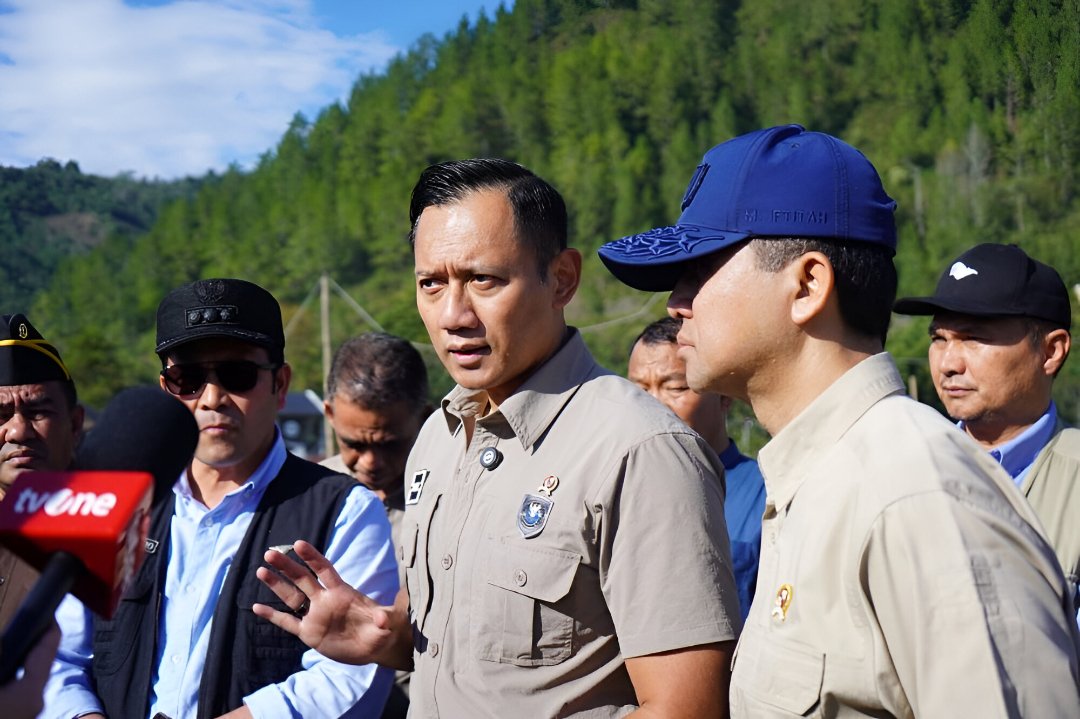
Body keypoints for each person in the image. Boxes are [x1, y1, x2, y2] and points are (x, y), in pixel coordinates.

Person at [598, 124, 1080, 716]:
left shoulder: (914, 496)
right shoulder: (820, 481)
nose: (677, 304)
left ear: (807, 284)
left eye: (700, 270)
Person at [254, 158, 741, 717]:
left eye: (483, 280)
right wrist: (382, 639)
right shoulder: (438, 436)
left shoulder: (639, 450)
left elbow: (687, 707)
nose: (453, 315)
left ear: (562, 279)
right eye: (430, 284)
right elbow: (466, 652)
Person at [42, 279, 399, 719]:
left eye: (237, 375)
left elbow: (351, 678)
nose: (212, 398)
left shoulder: (344, 510)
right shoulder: (113, 500)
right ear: (165, 389)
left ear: (280, 384)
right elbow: (59, 656)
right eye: (187, 379)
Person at [894, 242, 1079, 616]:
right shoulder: (900, 468)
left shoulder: (1073, 480)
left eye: (974, 338)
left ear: (1051, 351)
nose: (948, 363)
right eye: (938, 339)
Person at [321, 331, 430, 719]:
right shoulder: (315, 496)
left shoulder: (447, 502)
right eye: (354, 444)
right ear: (330, 414)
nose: (370, 462)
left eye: (388, 444)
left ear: (426, 418)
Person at [628, 316, 765, 621]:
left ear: (724, 396)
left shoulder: (766, 496)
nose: (652, 405)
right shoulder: (608, 491)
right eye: (638, 390)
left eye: (674, 387)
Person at [0, 313, 83, 631]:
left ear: (75, 425)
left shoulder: (117, 534)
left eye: (37, 411)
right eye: (1, 414)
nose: (19, 431)